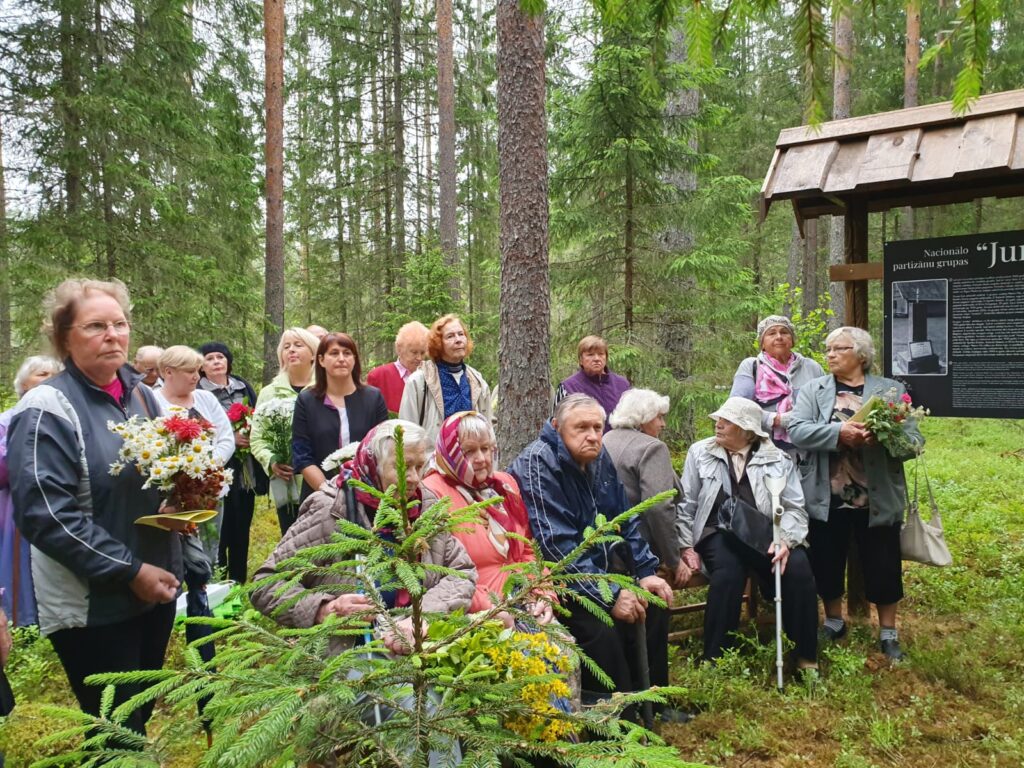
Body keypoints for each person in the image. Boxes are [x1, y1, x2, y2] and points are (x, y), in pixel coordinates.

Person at [8, 278, 181, 736]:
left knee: (138, 717)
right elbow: (47, 514)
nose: (113, 335)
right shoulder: (47, 407)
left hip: (154, 583)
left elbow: (158, 473)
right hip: (92, 603)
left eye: (120, 324)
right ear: (65, 338)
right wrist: (130, 571)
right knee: (113, 731)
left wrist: (181, 499)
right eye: (95, 326)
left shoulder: (143, 396)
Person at [252, 420, 476, 651]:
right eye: (403, 466)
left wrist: (423, 617)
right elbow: (264, 584)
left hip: (419, 658)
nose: (414, 478)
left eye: (420, 467)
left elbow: (462, 571)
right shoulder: (330, 510)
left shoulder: (425, 506)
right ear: (374, 464)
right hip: (346, 664)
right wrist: (324, 609)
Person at [509, 394, 674, 706]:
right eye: (581, 427)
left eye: (597, 427)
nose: (592, 435)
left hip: (598, 569)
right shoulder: (538, 463)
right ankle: (616, 716)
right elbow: (557, 548)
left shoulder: (599, 457)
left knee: (655, 602)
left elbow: (624, 516)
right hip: (552, 579)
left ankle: (653, 702)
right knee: (601, 628)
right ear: (557, 427)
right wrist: (609, 594)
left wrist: (645, 571)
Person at [789, 327, 923, 662]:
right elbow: (797, 430)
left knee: (883, 564)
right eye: (828, 348)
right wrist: (839, 432)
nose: (830, 354)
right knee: (827, 561)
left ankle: (889, 633)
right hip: (827, 496)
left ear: (861, 354)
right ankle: (834, 621)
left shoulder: (890, 390)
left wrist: (885, 439)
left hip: (876, 499)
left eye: (839, 348)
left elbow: (914, 442)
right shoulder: (813, 390)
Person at [677, 397, 818, 671]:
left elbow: (795, 509)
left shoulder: (777, 458)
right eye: (719, 419)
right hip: (715, 530)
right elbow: (687, 504)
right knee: (728, 572)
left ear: (747, 430)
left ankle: (805, 657)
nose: (717, 424)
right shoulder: (700, 453)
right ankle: (715, 658)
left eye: (726, 421)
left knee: (799, 568)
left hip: (763, 531)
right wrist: (686, 545)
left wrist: (785, 541)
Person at [420, 411, 553, 623]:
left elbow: (527, 550)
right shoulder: (432, 492)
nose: (481, 459)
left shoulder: (502, 485)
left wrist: (543, 594)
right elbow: (440, 574)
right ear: (449, 453)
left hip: (523, 598)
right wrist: (492, 608)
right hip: (475, 613)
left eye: (485, 448)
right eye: (469, 451)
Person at [153, 345, 235, 556]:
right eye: (190, 372)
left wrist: (206, 470)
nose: (196, 377)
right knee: (172, 551)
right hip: (169, 493)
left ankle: (206, 587)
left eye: (198, 371)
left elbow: (226, 438)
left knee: (209, 550)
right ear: (168, 372)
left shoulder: (206, 398)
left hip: (210, 489)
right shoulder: (152, 401)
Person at [198, 341, 269, 583]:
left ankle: (238, 580)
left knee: (241, 525)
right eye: (210, 358)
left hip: (245, 469)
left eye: (220, 356)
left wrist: (251, 434)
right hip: (216, 469)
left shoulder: (242, 386)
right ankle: (219, 579)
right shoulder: (199, 392)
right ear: (201, 365)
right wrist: (229, 437)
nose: (216, 361)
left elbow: (258, 414)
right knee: (221, 527)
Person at [0, 355, 62, 627]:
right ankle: (24, 621)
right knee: (22, 561)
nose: (48, 378)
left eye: (53, 373)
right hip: (20, 504)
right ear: (23, 383)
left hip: (61, 501)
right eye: (41, 373)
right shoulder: (6, 419)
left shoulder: (63, 415)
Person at [603, 389, 686, 586]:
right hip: (641, 554)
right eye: (659, 417)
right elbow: (659, 509)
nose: (663, 424)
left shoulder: (606, 439)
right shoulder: (652, 448)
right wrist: (674, 560)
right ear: (643, 418)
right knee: (654, 611)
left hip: (605, 546)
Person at [292, 332, 388, 502]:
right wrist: (329, 491)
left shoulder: (373, 398)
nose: (341, 358)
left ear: (355, 359)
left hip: (368, 494)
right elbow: (302, 456)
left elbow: (383, 449)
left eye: (347, 353)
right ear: (321, 360)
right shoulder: (307, 401)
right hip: (319, 494)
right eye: (334, 353)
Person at [250, 326, 319, 534]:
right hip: (285, 481)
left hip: (321, 477)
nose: (291, 350)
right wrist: (272, 461)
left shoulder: (325, 388)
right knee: (291, 539)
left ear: (314, 353)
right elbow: (257, 438)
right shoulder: (269, 393)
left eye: (298, 345)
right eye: (286, 346)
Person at [730, 315, 824, 452]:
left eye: (784, 332)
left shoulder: (812, 367)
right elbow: (736, 407)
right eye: (771, 333)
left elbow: (826, 404)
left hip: (808, 452)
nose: (779, 337)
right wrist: (775, 419)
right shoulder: (751, 366)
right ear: (762, 343)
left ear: (792, 341)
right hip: (763, 452)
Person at [399, 314, 492, 445]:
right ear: (438, 344)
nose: (458, 340)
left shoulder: (477, 381)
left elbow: (489, 431)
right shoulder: (420, 381)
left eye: (461, 334)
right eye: (450, 336)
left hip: (471, 461)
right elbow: (406, 431)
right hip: (433, 462)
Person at [553, 335, 630, 431]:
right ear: (581, 360)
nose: (597, 358)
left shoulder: (622, 385)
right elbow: (559, 425)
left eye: (601, 354)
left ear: (606, 358)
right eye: (590, 355)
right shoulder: (568, 387)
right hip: (583, 444)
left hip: (618, 443)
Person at [367, 321, 429, 414]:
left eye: (423, 352)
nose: (419, 358)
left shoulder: (430, 375)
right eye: (414, 352)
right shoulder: (378, 377)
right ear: (399, 349)